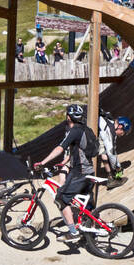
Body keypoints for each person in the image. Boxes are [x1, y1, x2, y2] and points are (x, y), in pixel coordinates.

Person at [35, 104, 99, 244]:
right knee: (86, 205)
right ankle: (91, 234)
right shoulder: (87, 130)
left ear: (68, 117)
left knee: (61, 198)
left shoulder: (74, 131)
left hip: (79, 173)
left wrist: (43, 162)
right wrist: (63, 163)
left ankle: (73, 232)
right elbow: (79, 150)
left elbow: (60, 147)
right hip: (89, 172)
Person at [98, 114, 131, 181]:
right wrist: (117, 168)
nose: (122, 134)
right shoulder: (110, 131)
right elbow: (111, 154)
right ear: (120, 126)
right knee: (106, 152)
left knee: (103, 153)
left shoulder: (111, 123)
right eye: (123, 132)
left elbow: (112, 150)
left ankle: (110, 176)